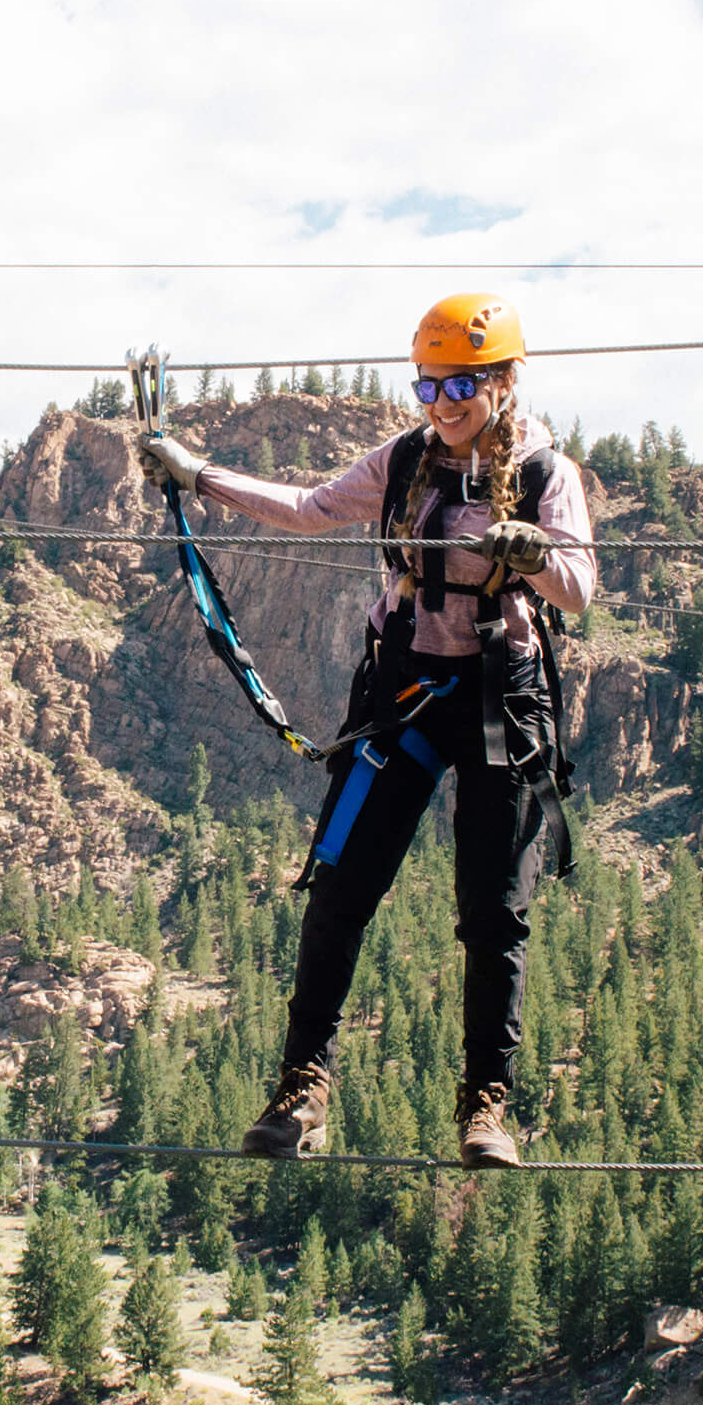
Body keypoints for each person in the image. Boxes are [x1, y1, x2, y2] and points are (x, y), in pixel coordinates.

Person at [136, 293, 594, 1168]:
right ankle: (301, 1089)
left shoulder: (546, 476)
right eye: (428, 385)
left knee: (494, 914)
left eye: (461, 383)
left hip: (504, 701)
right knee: (341, 889)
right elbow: (309, 508)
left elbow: (580, 586)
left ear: (501, 380)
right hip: (409, 691)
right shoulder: (405, 460)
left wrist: (535, 553)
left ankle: (485, 1107)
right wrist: (197, 476)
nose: (443, 402)